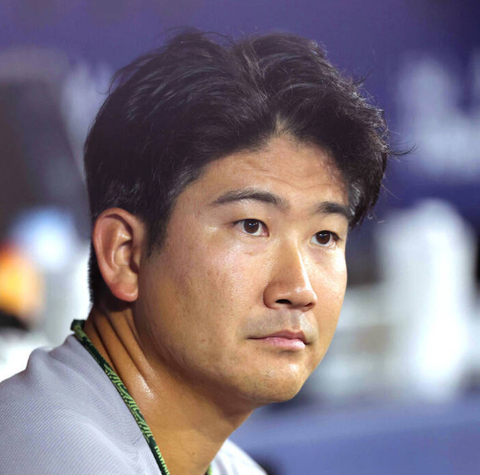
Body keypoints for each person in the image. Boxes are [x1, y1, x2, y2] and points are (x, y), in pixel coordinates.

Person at [0, 29, 393, 475]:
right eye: (252, 226)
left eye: (324, 236)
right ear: (125, 254)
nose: (299, 290)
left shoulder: (228, 466)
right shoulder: (50, 457)